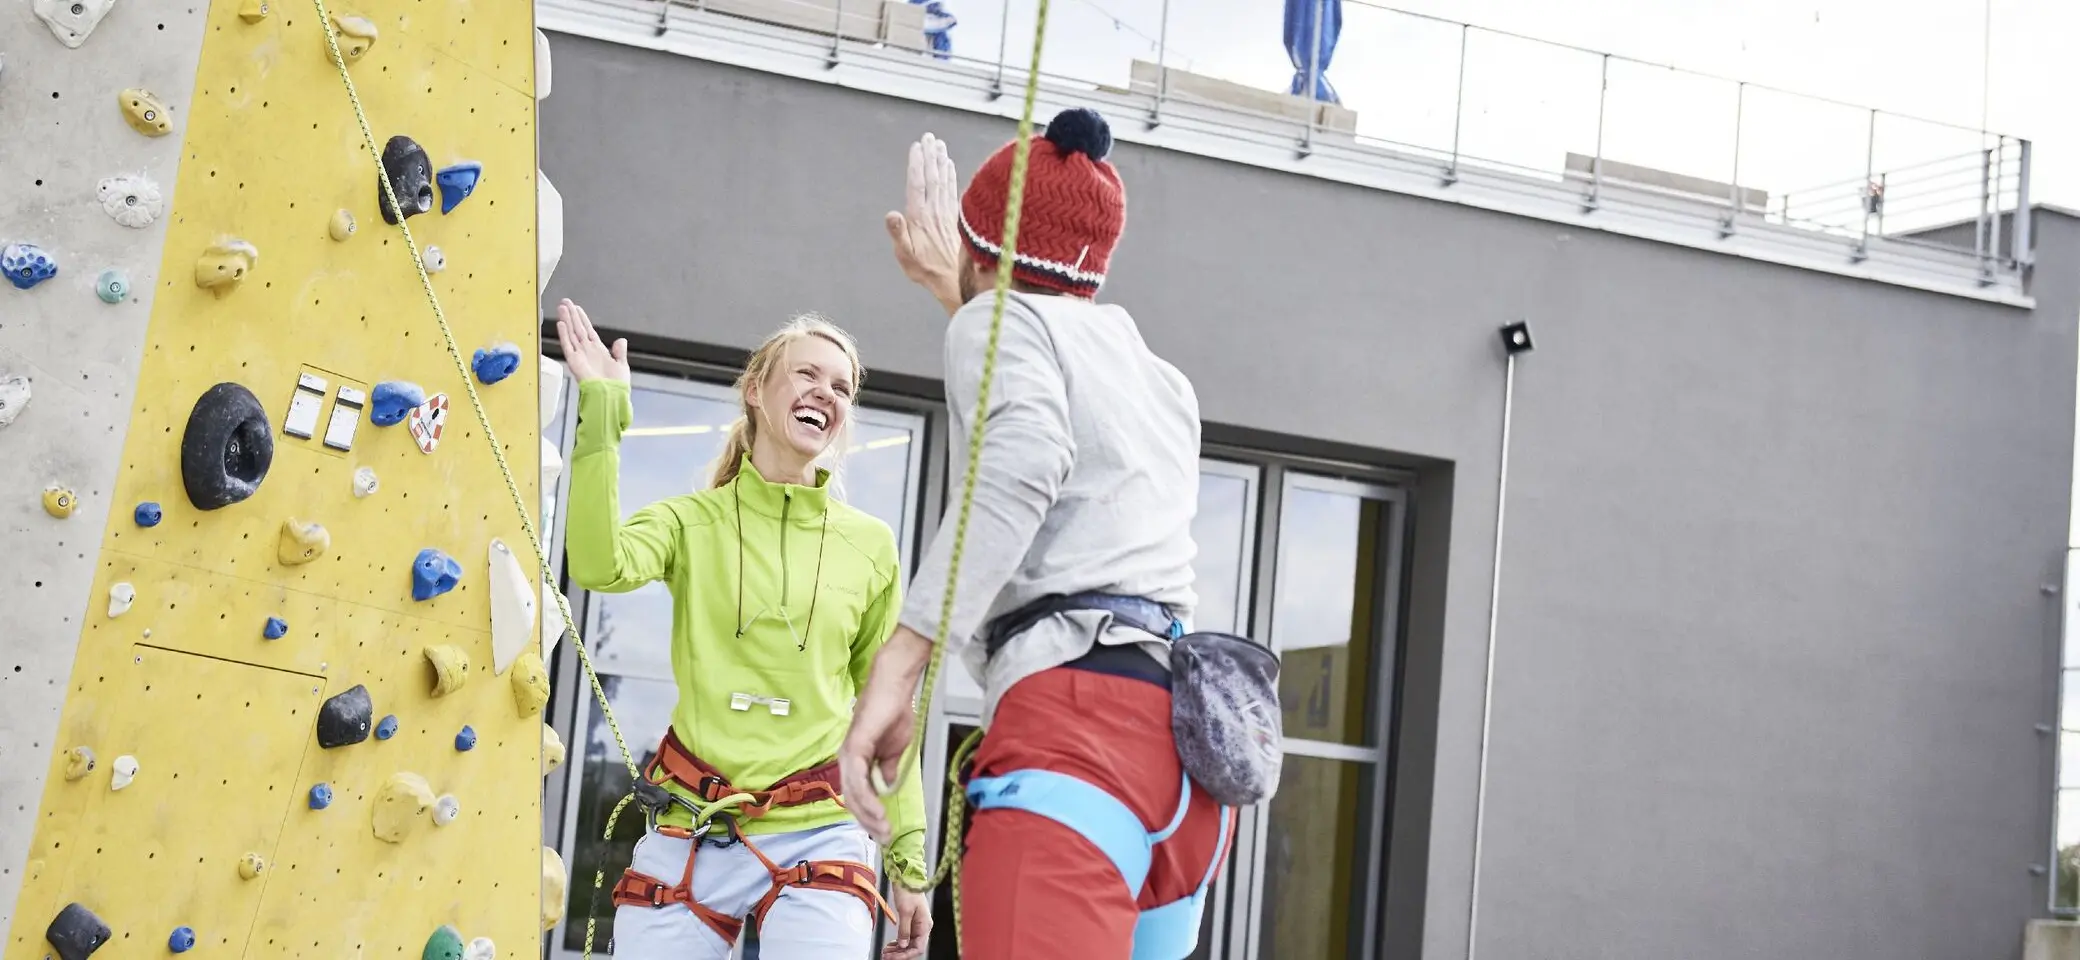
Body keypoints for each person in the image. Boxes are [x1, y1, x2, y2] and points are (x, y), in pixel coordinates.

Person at [838, 109, 1245, 958]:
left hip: (1075, 738)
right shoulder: (1162, 380)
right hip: (1184, 768)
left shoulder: (989, 325)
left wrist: (900, 665)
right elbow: (1046, 359)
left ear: (980, 251)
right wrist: (958, 288)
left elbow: (1024, 459)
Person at [555, 299, 932, 960]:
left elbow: (888, 713)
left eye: (842, 387)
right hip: (692, 824)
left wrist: (907, 862)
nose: (827, 393)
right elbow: (597, 564)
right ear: (757, 391)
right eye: (808, 375)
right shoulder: (689, 522)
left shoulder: (871, 546)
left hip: (821, 829)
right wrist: (602, 418)